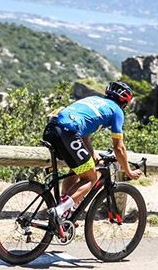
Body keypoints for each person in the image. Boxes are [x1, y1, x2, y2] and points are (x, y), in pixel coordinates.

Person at [42, 81, 142, 237]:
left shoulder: (94, 100)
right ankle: (59, 210)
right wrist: (128, 171)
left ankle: (64, 210)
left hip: (52, 129)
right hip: (69, 132)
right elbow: (119, 148)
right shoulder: (116, 111)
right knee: (91, 177)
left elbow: (84, 137)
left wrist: (94, 157)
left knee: (77, 168)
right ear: (124, 102)